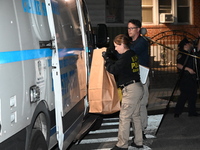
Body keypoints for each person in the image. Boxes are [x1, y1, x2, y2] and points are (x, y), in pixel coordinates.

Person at [102, 34, 144, 150]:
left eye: (116, 46)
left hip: (130, 89)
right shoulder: (132, 54)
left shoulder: (125, 57)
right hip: (137, 87)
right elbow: (121, 64)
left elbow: (114, 69)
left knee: (124, 117)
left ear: (123, 45)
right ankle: (138, 141)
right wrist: (111, 56)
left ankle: (122, 145)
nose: (115, 49)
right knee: (135, 116)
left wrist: (107, 60)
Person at [127, 19, 149, 139]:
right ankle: (137, 129)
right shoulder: (131, 43)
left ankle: (141, 131)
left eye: (131, 28)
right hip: (134, 77)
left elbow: (130, 54)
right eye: (128, 28)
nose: (129, 30)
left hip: (142, 76)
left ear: (138, 29)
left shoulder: (141, 42)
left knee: (141, 104)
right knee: (134, 105)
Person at [174, 37, 200, 118]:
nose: (190, 45)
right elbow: (179, 65)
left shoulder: (191, 52)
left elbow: (198, 48)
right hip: (185, 77)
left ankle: (191, 112)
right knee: (184, 95)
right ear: (185, 45)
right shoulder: (182, 54)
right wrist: (188, 69)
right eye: (189, 44)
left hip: (192, 77)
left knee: (193, 95)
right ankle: (177, 112)